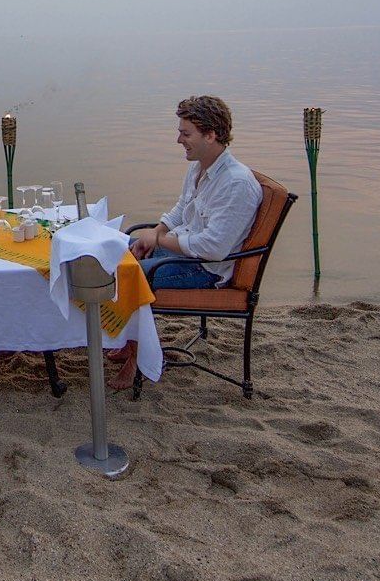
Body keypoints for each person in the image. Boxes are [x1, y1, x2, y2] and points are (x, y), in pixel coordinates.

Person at [107, 94, 263, 391]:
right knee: (118, 249)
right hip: (189, 251)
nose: (179, 139)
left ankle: (140, 360)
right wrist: (155, 231)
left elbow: (213, 248)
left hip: (208, 270)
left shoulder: (236, 183)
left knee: (133, 274)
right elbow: (182, 209)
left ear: (211, 134)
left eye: (185, 133)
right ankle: (130, 342)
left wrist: (163, 240)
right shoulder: (201, 166)